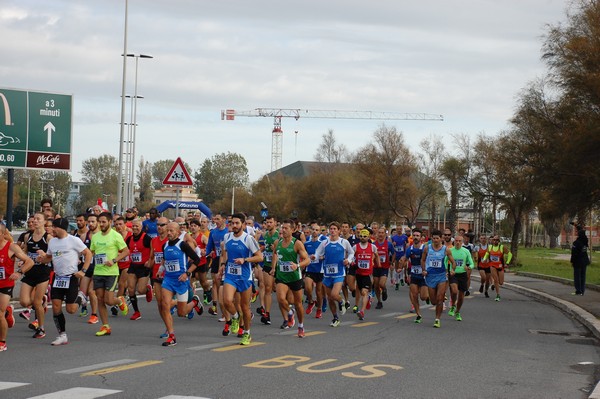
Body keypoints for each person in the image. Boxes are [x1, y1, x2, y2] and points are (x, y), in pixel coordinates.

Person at [38, 218, 93, 345]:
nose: (51, 230)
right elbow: (49, 257)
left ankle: (81, 297)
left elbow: (88, 254)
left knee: (71, 309)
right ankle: (62, 335)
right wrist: (42, 259)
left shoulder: (73, 240)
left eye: (53, 227)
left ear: (59, 227)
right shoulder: (52, 242)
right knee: (56, 307)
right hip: (58, 278)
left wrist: (83, 271)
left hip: (71, 277)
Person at [219, 213, 263, 345]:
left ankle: (247, 333)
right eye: (232, 223)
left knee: (245, 307)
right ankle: (235, 317)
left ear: (243, 225)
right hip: (230, 275)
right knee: (226, 301)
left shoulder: (248, 239)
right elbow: (224, 254)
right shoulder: (227, 237)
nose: (234, 225)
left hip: (244, 277)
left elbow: (259, 257)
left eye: (237, 223)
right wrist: (222, 265)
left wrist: (245, 260)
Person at [158, 222, 203, 347]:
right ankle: (171, 336)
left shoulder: (182, 245)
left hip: (181, 281)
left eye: (172, 231)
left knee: (181, 313)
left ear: (178, 232)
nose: (169, 233)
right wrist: (161, 269)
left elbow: (197, 260)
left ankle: (194, 302)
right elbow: (164, 259)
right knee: (164, 305)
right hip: (168, 280)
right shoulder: (165, 245)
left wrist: (187, 273)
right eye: (168, 230)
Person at [90, 212, 130, 336]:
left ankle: (119, 301)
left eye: (103, 222)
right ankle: (105, 326)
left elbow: (126, 251)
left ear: (109, 222)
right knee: (100, 299)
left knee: (108, 300)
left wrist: (114, 260)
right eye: (99, 222)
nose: (101, 224)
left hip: (111, 272)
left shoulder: (115, 236)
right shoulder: (95, 237)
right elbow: (91, 252)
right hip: (98, 271)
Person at [272, 219, 310, 337]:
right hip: (281, 276)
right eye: (282, 228)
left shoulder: (297, 243)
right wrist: (273, 267)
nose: (282, 230)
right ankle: (289, 312)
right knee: (281, 299)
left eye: (286, 228)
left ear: (293, 230)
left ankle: (301, 326)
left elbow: (307, 260)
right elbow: (275, 254)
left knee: (298, 304)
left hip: (295, 277)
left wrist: (297, 265)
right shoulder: (277, 242)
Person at [313, 222, 355, 327]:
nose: (332, 230)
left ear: (338, 231)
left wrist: (348, 260)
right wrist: (315, 257)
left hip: (339, 273)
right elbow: (318, 252)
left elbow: (351, 253)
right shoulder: (325, 242)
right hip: (327, 274)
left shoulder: (343, 242)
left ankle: (342, 302)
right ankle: (335, 317)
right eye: (331, 229)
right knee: (330, 298)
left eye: (334, 229)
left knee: (334, 294)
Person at [0, 223, 34, 351]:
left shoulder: (11, 247)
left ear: (3, 234)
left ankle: (2, 342)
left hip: (6, 284)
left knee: (0, 314)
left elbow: (29, 261)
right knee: (2, 312)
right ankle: (8, 311)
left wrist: (19, 272)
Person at [19, 212, 53, 338]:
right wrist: (22, 260)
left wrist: (44, 256)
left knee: (37, 303)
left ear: (44, 222)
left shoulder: (48, 238)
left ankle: (41, 328)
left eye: (38, 219)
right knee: (24, 301)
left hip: (43, 272)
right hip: (30, 272)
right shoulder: (28, 236)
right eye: (34, 220)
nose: (35, 221)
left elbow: (54, 256)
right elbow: (25, 252)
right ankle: (43, 299)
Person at [421, 230, 456, 328]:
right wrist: (423, 270)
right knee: (433, 301)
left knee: (440, 299)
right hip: (430, 276)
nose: (435, 240)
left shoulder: (446, 250)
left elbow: (453, 262)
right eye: (433, 238)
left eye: (437, 238)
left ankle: (437, 319)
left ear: (441, 239)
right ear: (431, 238)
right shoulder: (427, 248)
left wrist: (453, 270)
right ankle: (429, 298)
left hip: (441, 276)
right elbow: (423, 260)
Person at [126, 219, 153, 320]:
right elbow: (126, 250)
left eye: (137, 226)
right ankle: (136, 312)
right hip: (133, 266)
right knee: (131, 289)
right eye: (133, 226)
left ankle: (147, 289)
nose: (135, 228)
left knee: (140, 290)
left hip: (143, 267)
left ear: (141, 227)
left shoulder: (146, 238)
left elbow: (153, 250)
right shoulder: (129, 239)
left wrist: (150, 261)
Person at [148, 217, 170, 338]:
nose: (159, 227)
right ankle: (168, 328)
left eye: (162, 225)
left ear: (168, 226)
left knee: (166, 304)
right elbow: (152, 258)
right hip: (157, 274)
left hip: (170, 276)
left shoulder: (170, 240)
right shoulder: (154, 241)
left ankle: (190, 302)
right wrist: (147, 264)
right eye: (158, 225)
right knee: (160, 304)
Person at [352, 229, 380, 320]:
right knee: (361, 292)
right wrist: (352, 263)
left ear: (368, 237)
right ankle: (367, 299)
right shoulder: (355, 247)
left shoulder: (372, 247)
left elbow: (376, 255)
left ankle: (362, 311)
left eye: (365, 236)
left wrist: (377, 264)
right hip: (358, 273)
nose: (363, 238)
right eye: (361, 236)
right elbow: (351, 257)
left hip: (368, 274)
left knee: (364, 292)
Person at [402, 228, 428, 323]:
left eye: (418, 236)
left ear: (421, 238)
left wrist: (426, 270)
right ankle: (418, 315)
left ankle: (427, 296)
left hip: (423, 276)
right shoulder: (410, 249)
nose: (416, 237)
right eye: (415, 235)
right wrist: (401, 267)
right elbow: (405, 259)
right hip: (414, 275)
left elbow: (428, 260)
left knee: (423, 297)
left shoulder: (424, 248)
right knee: (414, 295)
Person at [205, 212, 228, 317]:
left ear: (224, 219)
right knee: (215, 282)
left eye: (218, 219)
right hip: (216, 258)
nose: (216, 221)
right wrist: (204, 253)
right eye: (214, 219)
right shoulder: (213, 232)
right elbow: (209, 247)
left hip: (226, 259)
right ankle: (215, 306)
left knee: (222, 284)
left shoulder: (228, 231)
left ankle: (225, 309)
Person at [447, 235, 474, 321]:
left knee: (461, 296)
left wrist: (469, 267)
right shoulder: (450, 250)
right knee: (454, 291)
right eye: (456, 241)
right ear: (453, 241)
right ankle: (453, 306)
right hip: (453, 274)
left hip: (462, 274)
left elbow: (472, 263)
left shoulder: (466, 251)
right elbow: (444, 261)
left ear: (462, 242)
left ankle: (457, 312)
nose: (458, 242)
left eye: (459, 241)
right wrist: (447, 270)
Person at [303, 222, 327, 319]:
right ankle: (311, 302)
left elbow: (327, 254)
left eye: (317, 230)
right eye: (313, 229)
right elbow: (303, 255)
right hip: (310, 269)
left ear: (320, 232)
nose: (314, 231)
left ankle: (319, 309)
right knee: (308, 288)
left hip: (320, 270)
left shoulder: (322, 243)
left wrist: (321, 257)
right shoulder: (307, 243)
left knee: (318, 291)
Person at [260, 216, 279, 325]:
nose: (268, 224)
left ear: (275, 223)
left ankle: (289, 309)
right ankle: (267, 314)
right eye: (267, 222)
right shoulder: (264, 235)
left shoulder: (278, 235)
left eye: (270, 222)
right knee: (267, 288)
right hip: (267, 264)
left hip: (278, 266)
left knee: (279, 290)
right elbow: (262, 247)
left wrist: (276, 249)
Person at [484, 235, 512, 302]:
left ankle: (496, 286)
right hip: (492, 265)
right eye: (494, 240)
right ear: (492, 241)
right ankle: (498, 295)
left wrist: (507, 263)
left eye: (497, 240)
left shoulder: (502, 247)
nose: (495, 241)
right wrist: (485, 259)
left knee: (501, 282)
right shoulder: (490, 247)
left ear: (499, 241)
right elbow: (487, 254)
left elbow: (510, 254)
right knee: (496, 280)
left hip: (500, 266)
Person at [373, 227, 394, 309]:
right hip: (375, 267)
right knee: (376, 286)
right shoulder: (374, 244)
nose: (381, 234)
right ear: (377, 234)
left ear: (385, 234)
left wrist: (391, 262)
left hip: (384, 267)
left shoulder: (388, 244)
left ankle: (384, 290)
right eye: (379, 233)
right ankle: (379, 301)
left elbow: (393, 253)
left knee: (381, 284)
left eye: (382, 233)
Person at [571, 227, 590, 296]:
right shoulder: (585, 242)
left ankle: (578, 291)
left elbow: (574, 253)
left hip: (577, 262)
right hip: (584, 262)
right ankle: (582, 290)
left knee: (577, 276)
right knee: (583, 276)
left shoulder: (576, 243)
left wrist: (572, 261)